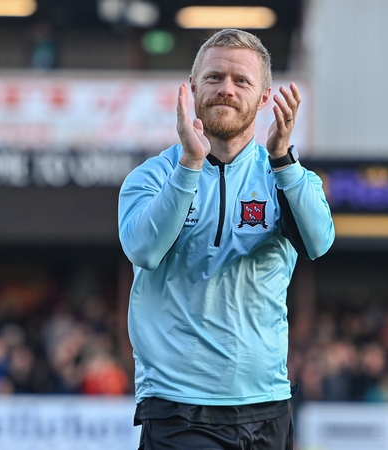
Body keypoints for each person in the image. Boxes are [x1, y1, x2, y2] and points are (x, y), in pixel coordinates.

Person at [118, 28, 335, 450]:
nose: (226, 89)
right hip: (178, 406)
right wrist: (189, 165)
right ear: (192, 86)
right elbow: (143, 250)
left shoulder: (288, 176)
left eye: (241, 81)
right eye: (214, 77)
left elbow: (317, 243)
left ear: (264, 95)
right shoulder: (152, 177)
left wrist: (283, 162)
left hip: (268, 402)